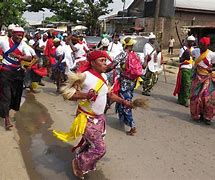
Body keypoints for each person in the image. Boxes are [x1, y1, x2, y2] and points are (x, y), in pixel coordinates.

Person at [53, 50, 132, 179]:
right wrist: (86, 95)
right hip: (86, 118)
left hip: (99, 118)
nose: (105, 64)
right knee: (100, 149)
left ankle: (80, 156)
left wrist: (124, 101)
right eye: (102, 61)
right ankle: (78, 163)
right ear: (93, 62)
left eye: (106, 61)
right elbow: (68, 94)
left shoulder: (105, 77)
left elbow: (109, 94)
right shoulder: (84, 76)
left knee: (92, 144)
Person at [0, 26, 32, 130]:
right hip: (6, 72)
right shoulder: (4, 41)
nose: (20, 37)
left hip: (17, 74)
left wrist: (20, 57)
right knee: (7, 96)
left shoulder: (23, 44)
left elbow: (29, 57)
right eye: (18, 35)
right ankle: (7, 119)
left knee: (15, 95)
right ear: (12, 34)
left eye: (21, 35)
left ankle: (5, 111)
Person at [114, 37, 143, 135]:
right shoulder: (136, 55)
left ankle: (132, 125)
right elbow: (142, 66)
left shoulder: (123, 54)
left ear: (125, 45)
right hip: (132, 82)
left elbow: (113, 64)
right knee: (125, 100)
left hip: (124, 82)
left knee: (126, 103)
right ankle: (123, 118)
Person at [190, 37, 215, 125]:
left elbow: (213, 66)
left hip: (207, 78)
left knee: (207, 97)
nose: (200, 46)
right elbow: (191, 54)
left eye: (202, 45)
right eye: (199, 44)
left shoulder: (212, 54)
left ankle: (207, 116)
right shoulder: (196, 51)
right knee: (196, 97)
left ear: (207, 45)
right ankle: (197, 113)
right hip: (197, 78)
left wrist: (211, 69)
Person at [173, 35, 196, 107]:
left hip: (191, 68)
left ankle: (181, 99)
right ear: (188, 42)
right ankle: (185, 100)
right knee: (186, 84)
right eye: (190, 42)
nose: (192, 43)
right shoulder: (183, 49)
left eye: (193, 42)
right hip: (184, 68)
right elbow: (180, 60)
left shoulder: (193, 49)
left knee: (187, 85)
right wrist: (184, 56)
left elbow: (194, 58)